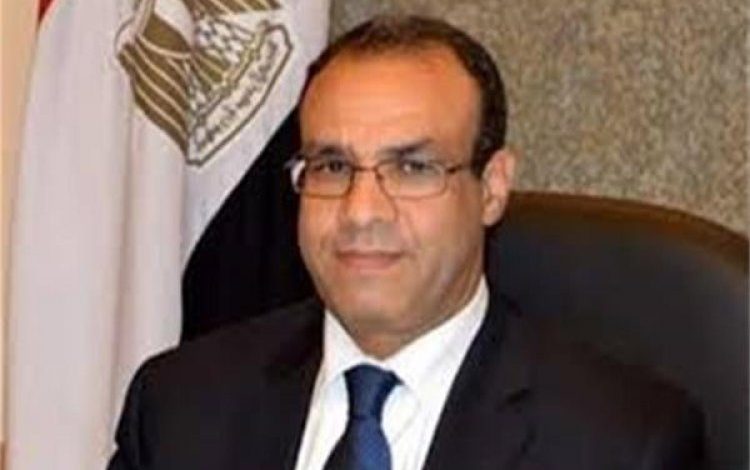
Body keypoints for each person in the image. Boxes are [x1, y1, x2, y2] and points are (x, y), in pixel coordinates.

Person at [108, 15, 704, 470]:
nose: (361, 211)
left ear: (492, 188)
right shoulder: (178, 409)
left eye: (412, 168)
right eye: (332, 167)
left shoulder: (623, 444)